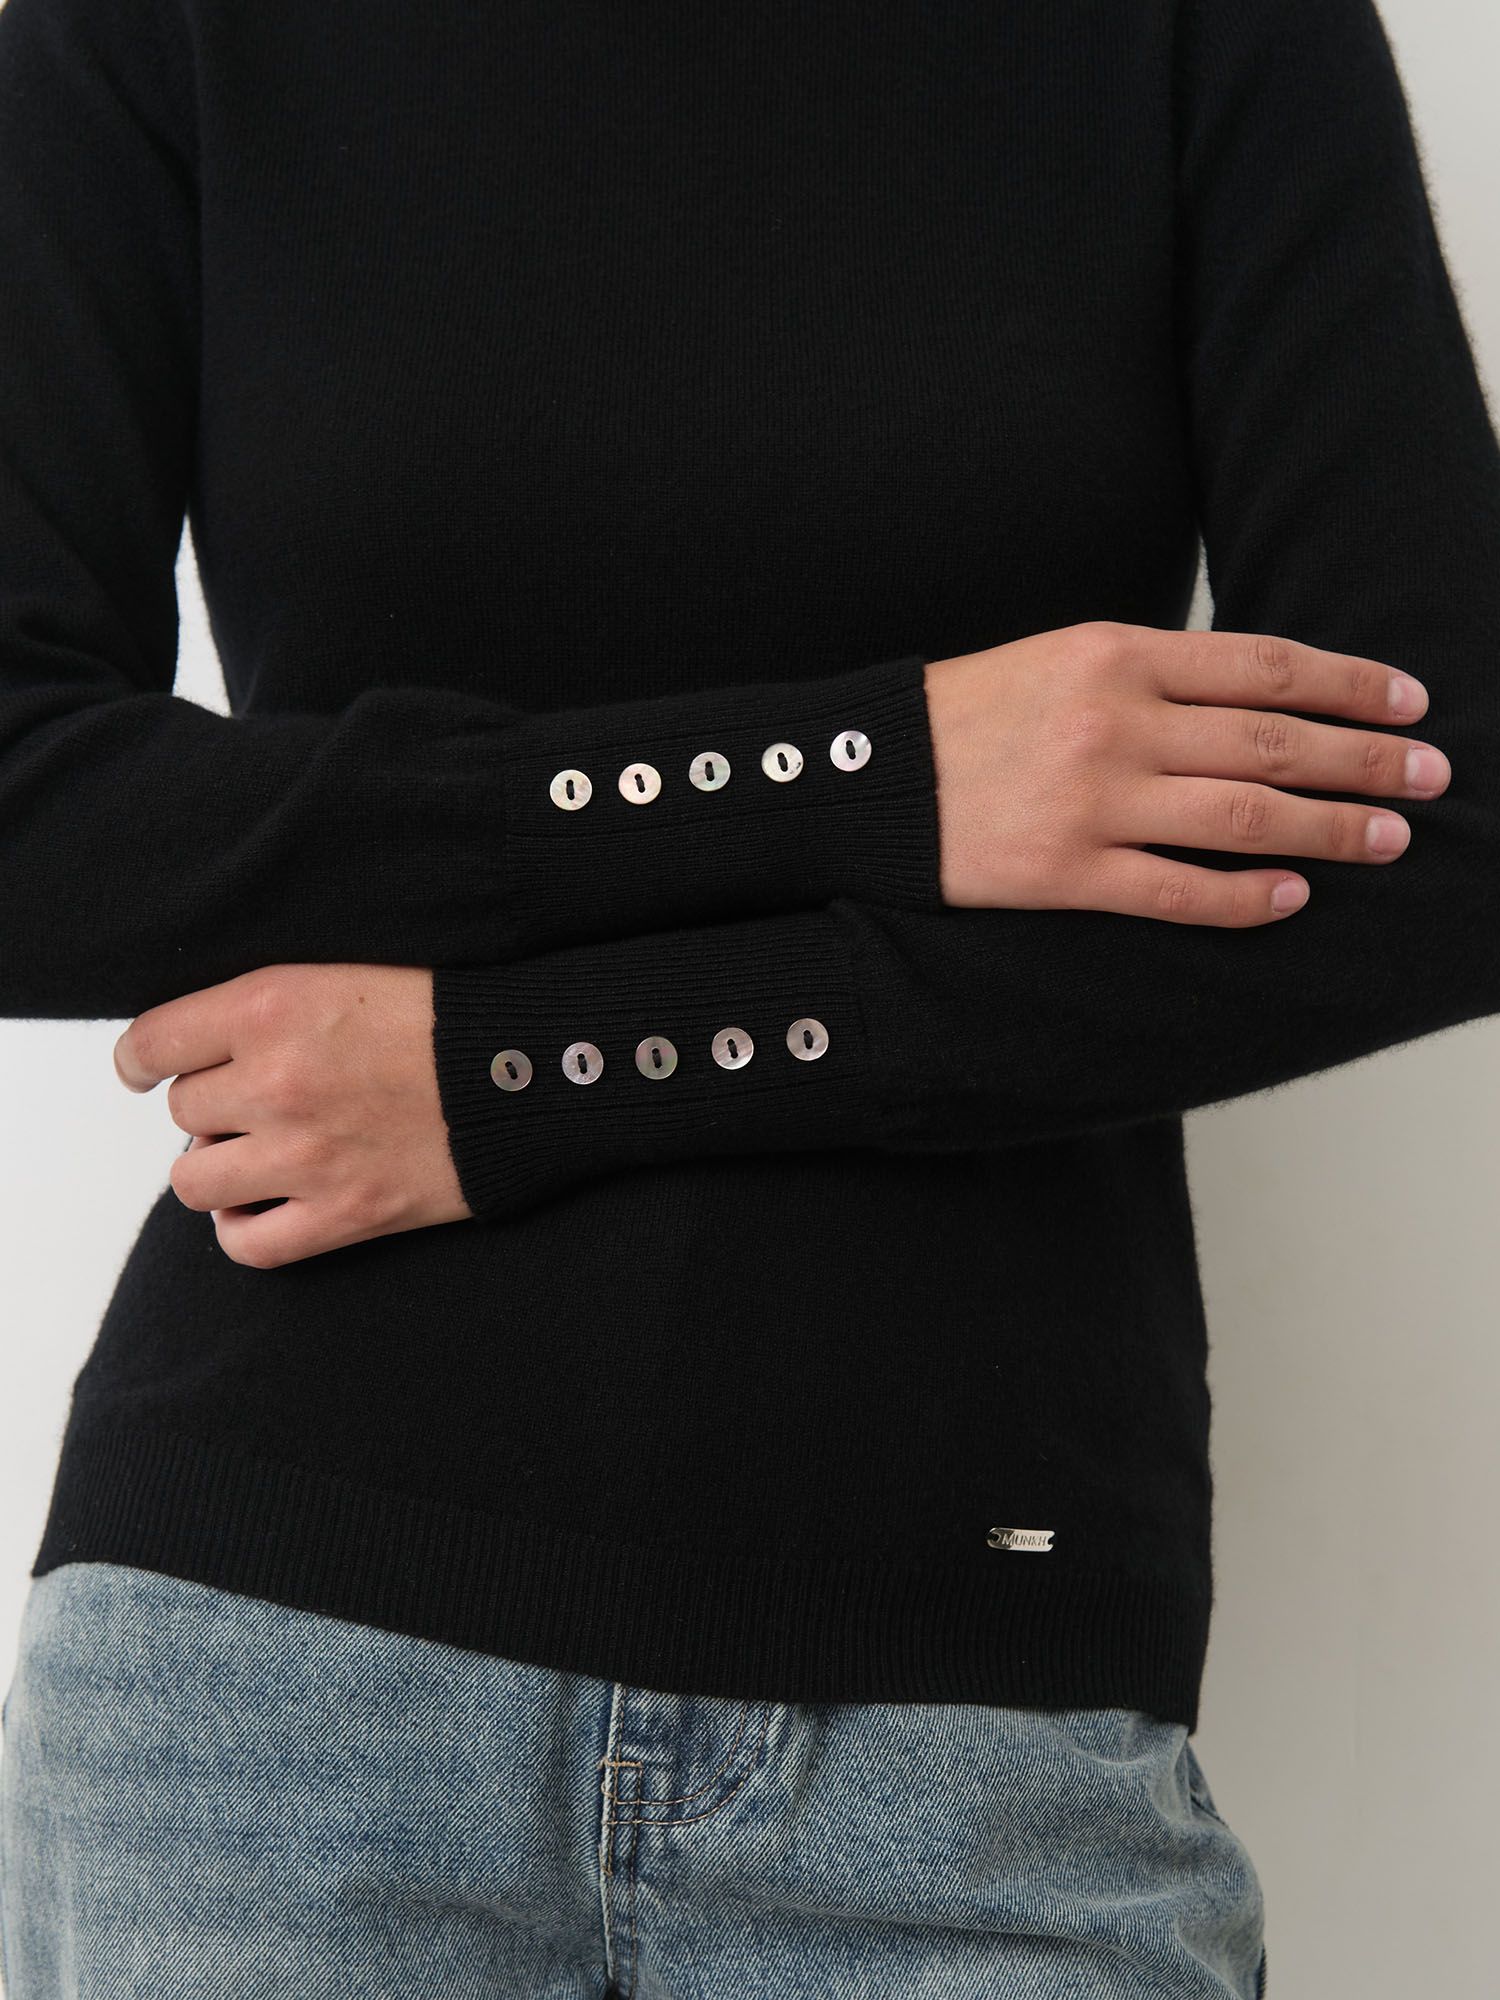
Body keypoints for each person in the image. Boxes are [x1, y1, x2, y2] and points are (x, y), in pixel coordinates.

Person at [1, 0, 1497, 1992]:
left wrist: (521, 1074)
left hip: (976, 1706)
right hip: (277, 1675)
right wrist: (873, 772)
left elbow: (1442, 840)